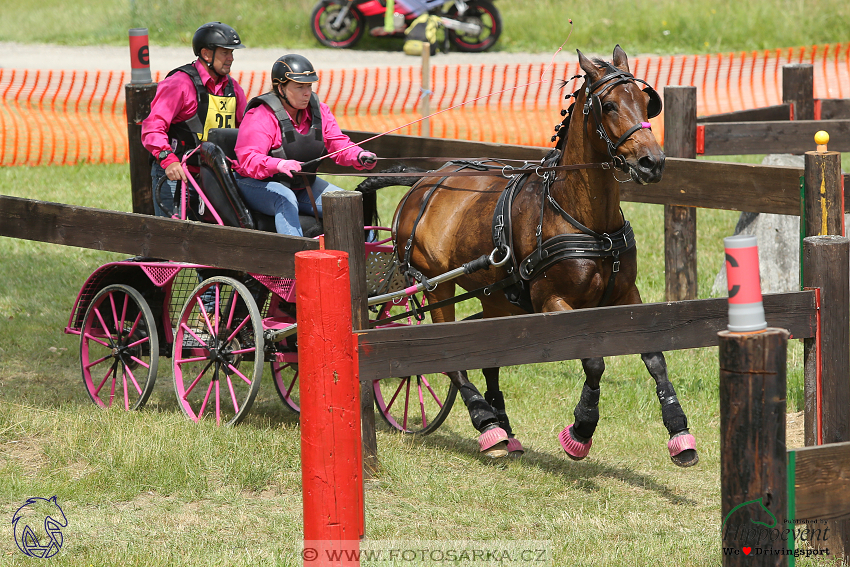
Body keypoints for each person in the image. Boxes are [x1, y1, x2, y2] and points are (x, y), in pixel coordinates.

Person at [233, 54, 377, 236]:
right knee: (285, 199)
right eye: (299, 86)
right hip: (255, 184)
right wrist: (279, 164)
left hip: (301, 185)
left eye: (309, 85)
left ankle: (372, 258)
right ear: (281, 88)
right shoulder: (261, 115)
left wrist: (358, 155)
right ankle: (297, 258)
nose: (307, 92)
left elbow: (337, 143)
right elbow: (249, 159)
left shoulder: (320, 111)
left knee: (349, 204)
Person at [142, 22, 248, 217]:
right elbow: (152, 128)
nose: (231, 58)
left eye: (232, 53)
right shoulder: (179, 84)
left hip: (214, 176)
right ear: (207, 54)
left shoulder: (234, 90)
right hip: (176, 175)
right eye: (225, 52)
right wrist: (168, 161)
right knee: (171, 238)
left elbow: (247, 132)